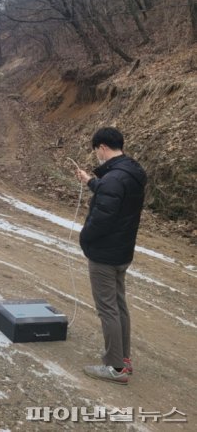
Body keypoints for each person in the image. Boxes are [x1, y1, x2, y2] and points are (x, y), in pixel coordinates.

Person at [75, 127, 147, 385]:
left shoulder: (114, 179)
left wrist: (84, 237)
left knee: (108, 309)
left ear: (103, 147)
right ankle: (124, 358)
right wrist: (91, 182)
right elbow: (113, 195)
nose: (96, 157)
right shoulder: (132, 171)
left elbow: (103, 217)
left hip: (105, 254)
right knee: (119, 305)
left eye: (96, 151)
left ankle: (115, 367)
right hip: (122, 251)